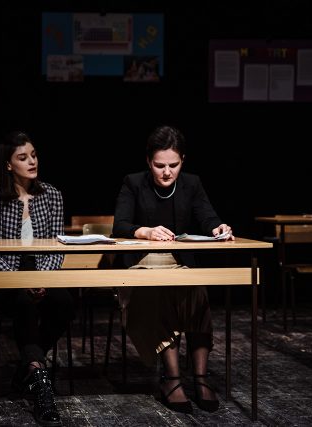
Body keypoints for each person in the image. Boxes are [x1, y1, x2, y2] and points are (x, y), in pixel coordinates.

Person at [112, 125, 233, 414]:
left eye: (174, 165)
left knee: (197, 290)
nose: (167, 172)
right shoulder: (133, 182)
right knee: (164, 289)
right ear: (148, 161)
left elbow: (207, 216)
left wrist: (218, 226)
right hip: (142, 264)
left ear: (183, 161)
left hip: (181, 263)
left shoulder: (192, 183)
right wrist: (146, 231)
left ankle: (200, 377)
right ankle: (172, 379)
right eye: (159, 165)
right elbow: (120, 225)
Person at [0, 130, 74, 426]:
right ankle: (41, 385)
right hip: (4, 274)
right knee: (23, 303)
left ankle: (30, 369)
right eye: (23, 157)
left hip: (42, 270)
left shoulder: (52, 195)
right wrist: (20, 280)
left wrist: (42, 278)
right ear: (9, 164)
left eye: (33, 155)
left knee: (65, 302)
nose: (32, 161)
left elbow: (57, 247)